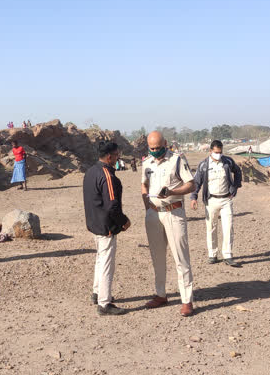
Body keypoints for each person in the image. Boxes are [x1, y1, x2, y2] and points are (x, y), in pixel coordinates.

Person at [141, 131, 196, 317]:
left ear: (165, 143)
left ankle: (187, 300)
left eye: (158, 147)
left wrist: (172, 191)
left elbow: (191, 184)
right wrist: (147, 206)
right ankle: (160, 294)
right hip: (154, 215)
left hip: (174, 212)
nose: (155, 151)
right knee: (157, 257)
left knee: (181, 258)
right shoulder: (146, 163)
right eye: (152, 148)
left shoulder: (177, 160)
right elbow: (144, 185)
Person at [83, 141, 131, 315]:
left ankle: (97, 293)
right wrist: (123, 221)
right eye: (117, 155)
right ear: (110, 156)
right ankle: (104, 303)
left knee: (100, 259)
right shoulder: (107, 175)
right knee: (106, 264)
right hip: (105, 226)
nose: (118, 158)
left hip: (94, 223)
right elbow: (112, 204)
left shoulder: (90, 171)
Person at [190, 140, 243, 268]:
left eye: (220, 152)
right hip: (211, 200)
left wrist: (235, 186)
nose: (218, 154)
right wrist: (194, 197)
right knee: (211, 227)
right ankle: (212, 254)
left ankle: (228, 255)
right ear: (210, 151)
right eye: (216, 152)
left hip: (226, 200)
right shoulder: (203, 165)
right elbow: (196, 182)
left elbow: (238, 172)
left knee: (228, 227)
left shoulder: (228, 162)